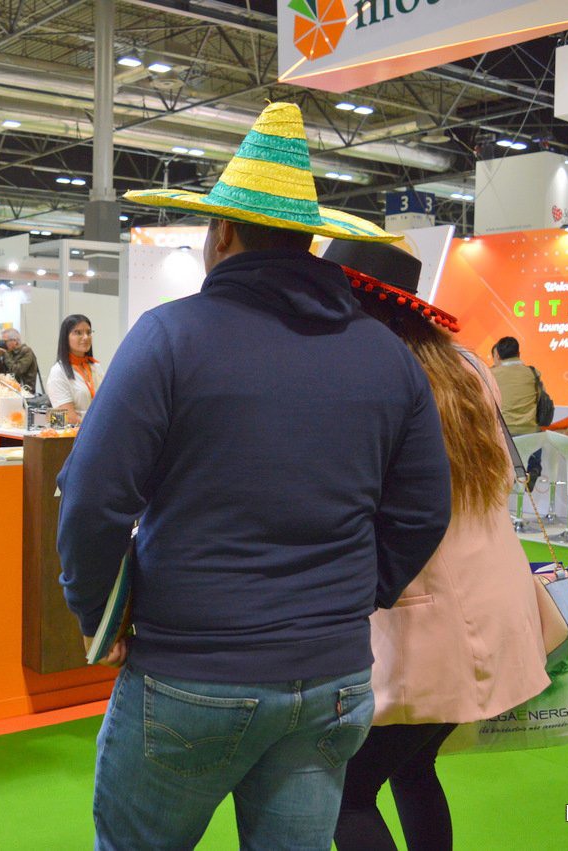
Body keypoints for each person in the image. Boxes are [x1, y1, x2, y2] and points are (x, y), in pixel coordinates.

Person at [56, 102, 452, 850]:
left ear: (223, 234)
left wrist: (97, 612)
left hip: (192, 669)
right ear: (307, 238)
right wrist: (347, 596)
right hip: (333, 677)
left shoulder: (169, 336)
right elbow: (424, 510)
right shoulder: (386, 355)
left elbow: (93, 497)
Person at [327, 241, 549, 851]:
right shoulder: (466, 366)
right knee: (412, 766)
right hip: (493, 602)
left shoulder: (374, 372)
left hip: (429, 620)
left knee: (344, 791)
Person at [490, 336, 543, 486]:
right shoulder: (533, 373)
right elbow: (539, 400)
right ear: (518, 354)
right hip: (529, 435)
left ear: (498, 355)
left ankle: (499, 476)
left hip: (503, 436)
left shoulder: (491, 374)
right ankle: (533, 469)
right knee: (536, 432)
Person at [45, 314, 103, 425]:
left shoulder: (96, 367)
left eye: (88, 332)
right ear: (65, 338)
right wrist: (96, 427)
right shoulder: (58, 371)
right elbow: (69, 417)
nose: (85, 337)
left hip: (98, 429)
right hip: (75, 433)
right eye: (78, 333)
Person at [0, 328, 40, 394]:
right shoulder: (9, 352)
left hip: (25, 393)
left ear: (15, 341)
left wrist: (6, 355)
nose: (3, 344)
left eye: (5, 341)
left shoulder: (26, 351)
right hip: (9, 392)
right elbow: (2, 374)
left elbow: (16, 371)